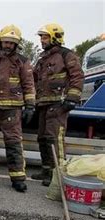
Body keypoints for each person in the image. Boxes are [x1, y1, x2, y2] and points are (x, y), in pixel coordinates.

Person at [0, 25, 35, 193]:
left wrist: (30, 105)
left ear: (16, 44)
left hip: (12, 109)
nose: (8, 45)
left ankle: (18, 178)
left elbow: (28, 83)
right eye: (6, 41)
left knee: (13, 143)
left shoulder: (22, 60)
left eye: (12, 43)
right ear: (0, 40)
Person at [32, 23, 84, 186]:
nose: (42, 40)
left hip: (59, 103)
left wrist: (72, 97)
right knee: (42, 138)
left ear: (55, 37)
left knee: (55, 138)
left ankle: (58, 175)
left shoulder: (66, 55)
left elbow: (77, 76)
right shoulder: (42, 59)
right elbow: (33, 79)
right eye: (41, 37)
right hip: (43, 104)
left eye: (45, 37)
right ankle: (47, 170)